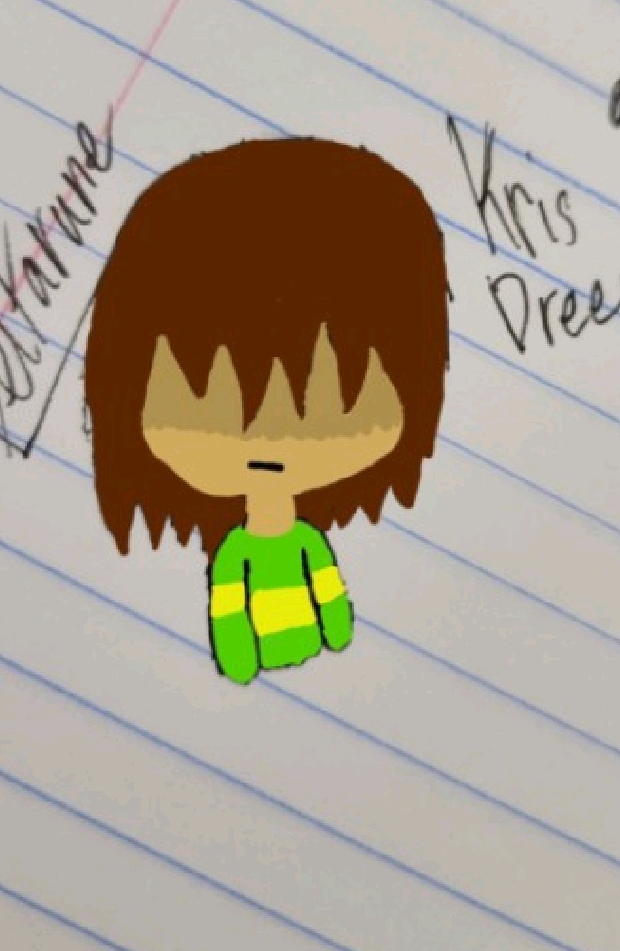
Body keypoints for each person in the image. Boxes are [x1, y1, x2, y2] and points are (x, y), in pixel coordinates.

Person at [84, 137, 450, 684]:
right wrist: (236, 655)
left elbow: (325, 588)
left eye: (331, 405)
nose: (268, 441)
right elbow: (230, 606)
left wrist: (335, 626)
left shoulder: (304, 543)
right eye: (211, 404)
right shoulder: (236, 553)